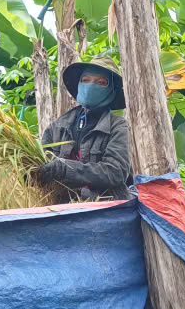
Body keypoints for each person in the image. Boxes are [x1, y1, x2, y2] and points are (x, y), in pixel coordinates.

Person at [37, 56, 132, 202]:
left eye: (101, 82)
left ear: (111, 91)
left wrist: (65, 169)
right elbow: (40, 165)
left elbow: (116, 171)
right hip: (60, 211)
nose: (91, 86)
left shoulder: (117, 126)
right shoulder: (58, 127)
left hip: (106, 211)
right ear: (79, 85)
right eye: (85, 80)